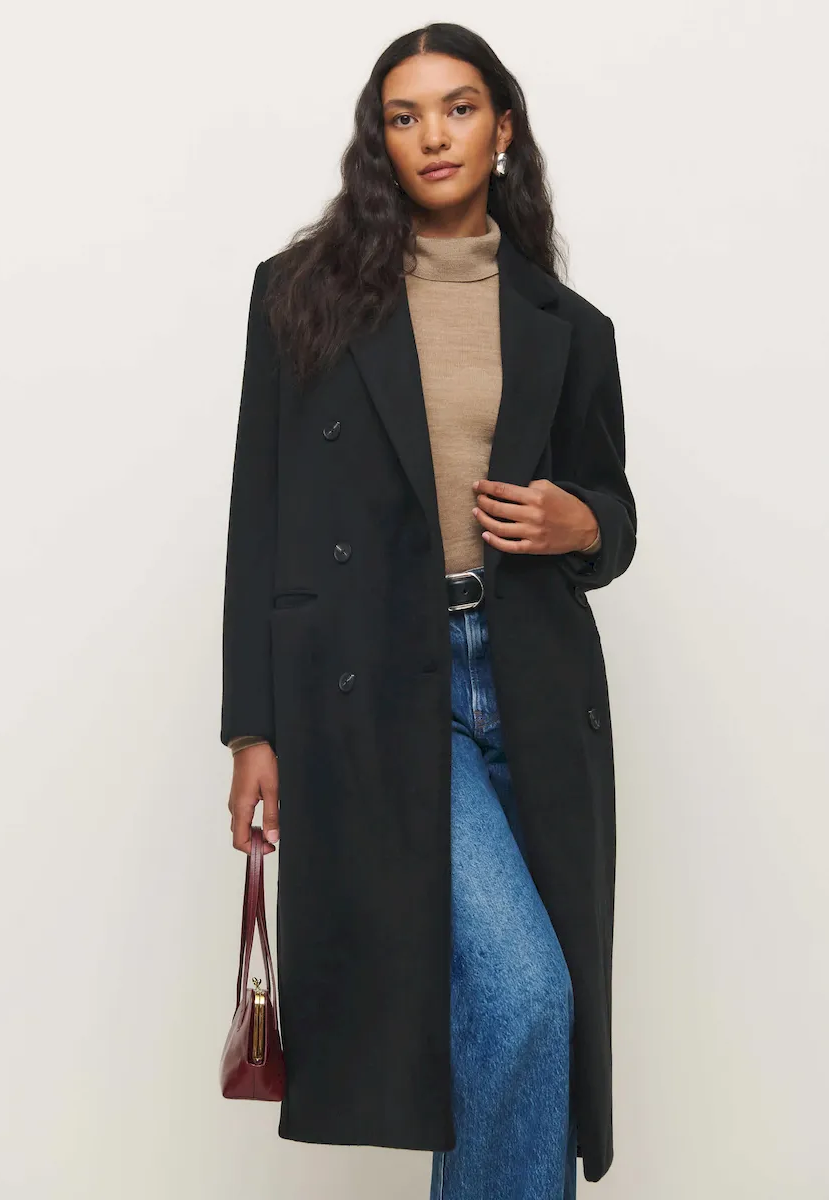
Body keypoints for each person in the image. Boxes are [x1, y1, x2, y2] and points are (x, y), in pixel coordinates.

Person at [222, 22, 636, 1199]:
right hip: (383, 685)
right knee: (525, 994)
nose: (434, 136)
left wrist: (579, 521)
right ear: (381, 142)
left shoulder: (568, 326)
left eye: (458, 108)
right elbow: (260, 517)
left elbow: (612, 515)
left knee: (512, 1020)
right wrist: (252, 728)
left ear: (503, 128)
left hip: (533, 681)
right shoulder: (301, 297)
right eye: (405, 117)